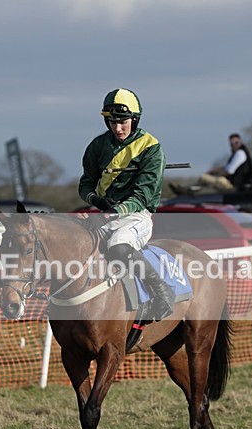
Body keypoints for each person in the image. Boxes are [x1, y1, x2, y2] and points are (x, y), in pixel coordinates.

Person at [77, 88, 174, 320]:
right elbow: (85, 185)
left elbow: (142, 195)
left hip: (136, 216)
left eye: (123, 122)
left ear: (135, 119)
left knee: (119, 246)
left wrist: (115, 211)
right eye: (112, 122)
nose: (117, 128)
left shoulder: (151, 147)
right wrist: (95, 200)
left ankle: (162, 293)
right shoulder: (97, 146)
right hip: (103, 214)